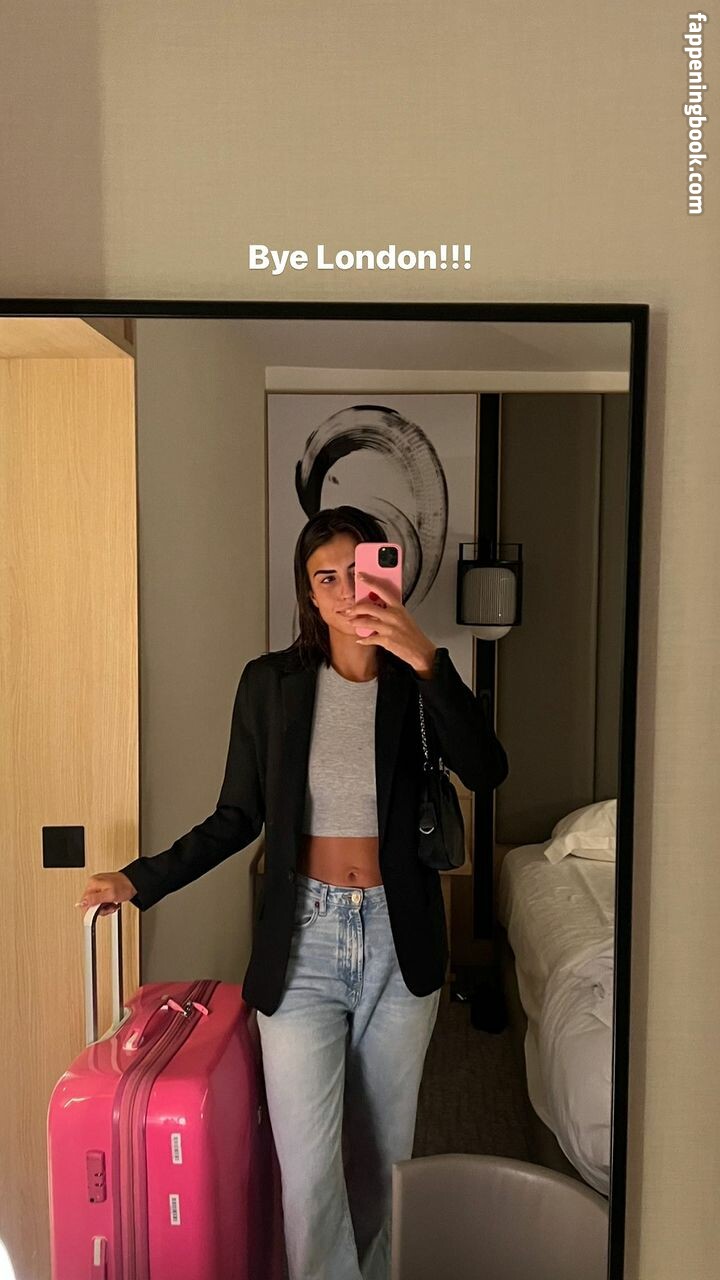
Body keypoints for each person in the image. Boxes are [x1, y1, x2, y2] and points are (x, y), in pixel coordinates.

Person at [77, 504, 509, 1280]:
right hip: (303, 941)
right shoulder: (271, 684)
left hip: (400, 937)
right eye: (325, 577)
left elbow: (487, 770)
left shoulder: (419, 682)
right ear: (308, 593)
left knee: (382, 1163)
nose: (345, 591)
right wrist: (140, 879)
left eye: (357, 571)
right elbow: (236, 816)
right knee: (309, 1179)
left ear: (387, 574)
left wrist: (426, 659)